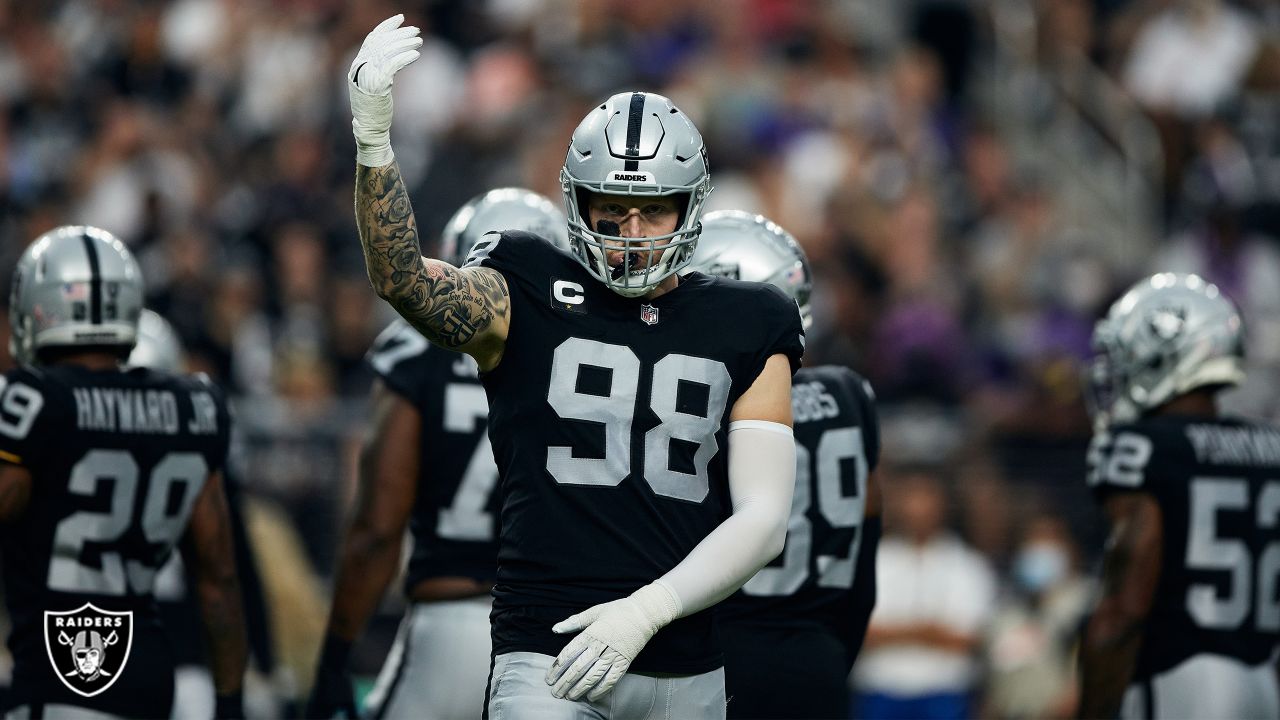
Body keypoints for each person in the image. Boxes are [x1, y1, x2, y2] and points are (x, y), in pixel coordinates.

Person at [346, 15, 804, 718]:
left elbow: (766, 519)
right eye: (610, 209)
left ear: (691, 205)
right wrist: (375, 141)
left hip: (685, 660)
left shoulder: (749, 318)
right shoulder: (528, 282)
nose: (630, 233)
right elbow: (404, 280)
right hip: (547, 651)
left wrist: (647, 610)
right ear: (575, 202)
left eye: (652, 211)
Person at [306, 188, 569, 720]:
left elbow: (378, 527)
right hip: (556, 639)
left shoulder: (419, 351)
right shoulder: (592, 357)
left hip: (451, 627)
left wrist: (335, 656)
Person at [0, 227, 247, 718]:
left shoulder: (27, 402)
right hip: (149, 676)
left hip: (55, 675)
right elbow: (218, 578)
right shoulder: (191, 408)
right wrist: (231, 704)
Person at [689, 210, 883, 720]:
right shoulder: (850, 394)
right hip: (817, 657)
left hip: (715, 652)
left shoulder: (699, 405)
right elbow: (865, 561)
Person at [1079, 272, 1280, 719]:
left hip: (1182, 683)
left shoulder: (1144, 447)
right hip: (1264, 681)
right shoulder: (1271, 449)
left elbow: (1125, 609)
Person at [130, 309, 285, 720]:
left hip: (107, 658)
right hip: (189, 666)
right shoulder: (195, 450)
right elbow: (231, 573)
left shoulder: (79, 460)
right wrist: (263, 664)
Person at [851, 468, 996, 720]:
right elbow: (862, 632)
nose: (918, 508)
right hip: (879, 691)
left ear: (943, 505)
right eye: (912, 497)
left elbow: (967, 639)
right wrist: (928, 630)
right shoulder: (875, 560)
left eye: (927, 498)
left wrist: (896, 633)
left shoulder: (967, 565)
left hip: (944, 694)